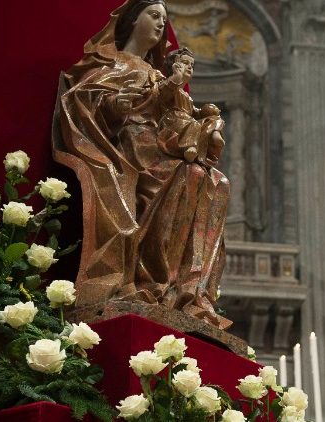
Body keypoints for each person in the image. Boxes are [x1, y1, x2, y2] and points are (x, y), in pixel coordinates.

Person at [53, 0, 231, 328]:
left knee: (215, 182)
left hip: (161, 145)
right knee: (186, 173)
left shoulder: (157, 73)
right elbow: (85, 100)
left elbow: (173, 115)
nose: (161, 24)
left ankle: (189, 292)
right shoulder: (111, 62)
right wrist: (112, 105)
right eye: (154, 15)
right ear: (133, 20)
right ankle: (154, 281)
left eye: (164, 19)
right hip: (131, 150)